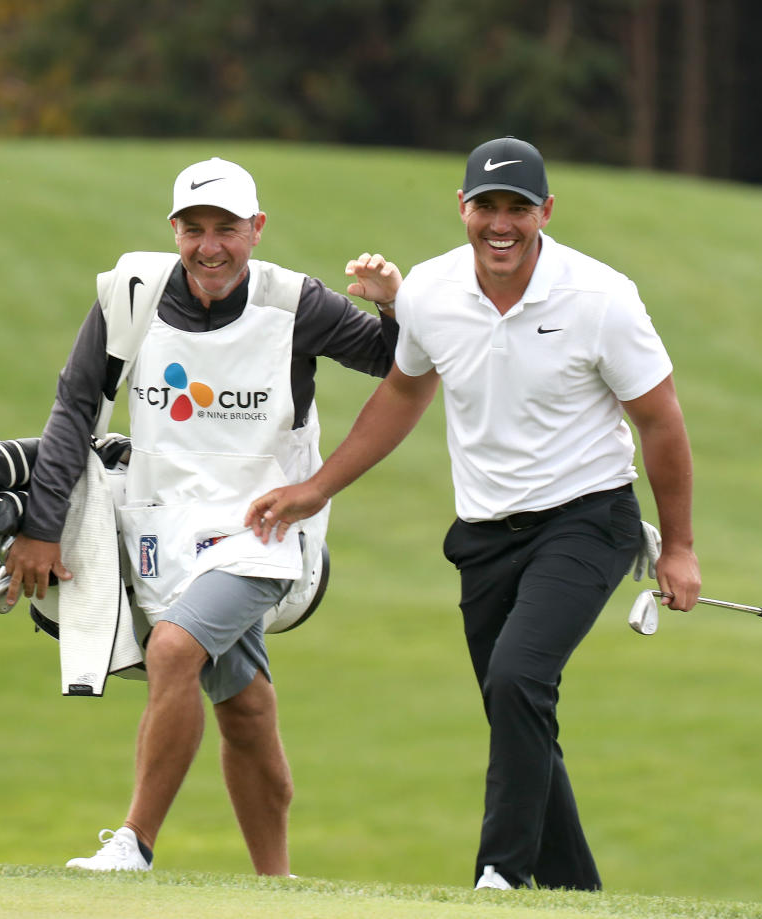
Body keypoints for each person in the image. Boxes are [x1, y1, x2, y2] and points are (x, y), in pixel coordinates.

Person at [247, 137, 701, 891]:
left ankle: (500, 875)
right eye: (485, 207)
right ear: (462, 209)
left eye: (517, 209)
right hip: (486, 536)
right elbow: (402, 393)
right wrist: (317, 488)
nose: (500, 224)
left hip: (588, 518)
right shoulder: (429, 292)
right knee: (514, 708)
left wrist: (679, 545)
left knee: (521, 678)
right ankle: (576, 897)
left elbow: (660, 421)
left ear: (545, 212)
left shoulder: (600, 298)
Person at [4, 156, 402, 874]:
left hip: (267, 530)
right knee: (245, 711)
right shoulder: (130, 292)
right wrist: (40, 524)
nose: (209, 246)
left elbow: (394, 361)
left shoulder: (295, 301)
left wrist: (391, 305)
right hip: (165, 532)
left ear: (257, 229)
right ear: (174, 229)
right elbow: (75, 409)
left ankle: (134, 841)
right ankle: (276, 884)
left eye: (227, 228)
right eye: (194, 229)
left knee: (174, 651)